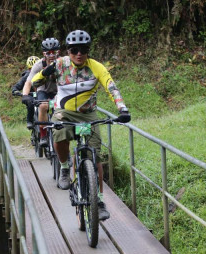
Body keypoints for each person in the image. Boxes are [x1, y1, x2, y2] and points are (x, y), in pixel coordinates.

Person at [32, 30, 130, 220]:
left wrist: (122, 109)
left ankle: (99, 200)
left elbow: (111, 87)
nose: (79, 54)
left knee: (95, 156)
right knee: (59, 134)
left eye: (83, 50)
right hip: (64, 112)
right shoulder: (60, 64)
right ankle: (64, 166)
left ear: (88, 51)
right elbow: (36, 80)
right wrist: (43, 76)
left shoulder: (96, 67)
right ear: (68, 51)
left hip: (88, 114)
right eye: (74, 50)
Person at [21, 38, 60, 141]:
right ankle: (43, 135)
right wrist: (25, 95)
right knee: (43, 106)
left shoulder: (63, 63)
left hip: (59, 90)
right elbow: (29, 82)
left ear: (58, 52)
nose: (51, 55)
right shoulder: (38, 65)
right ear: (44, 54)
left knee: (61, 109)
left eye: (54, 52)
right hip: (43, 90)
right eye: (48, 53)